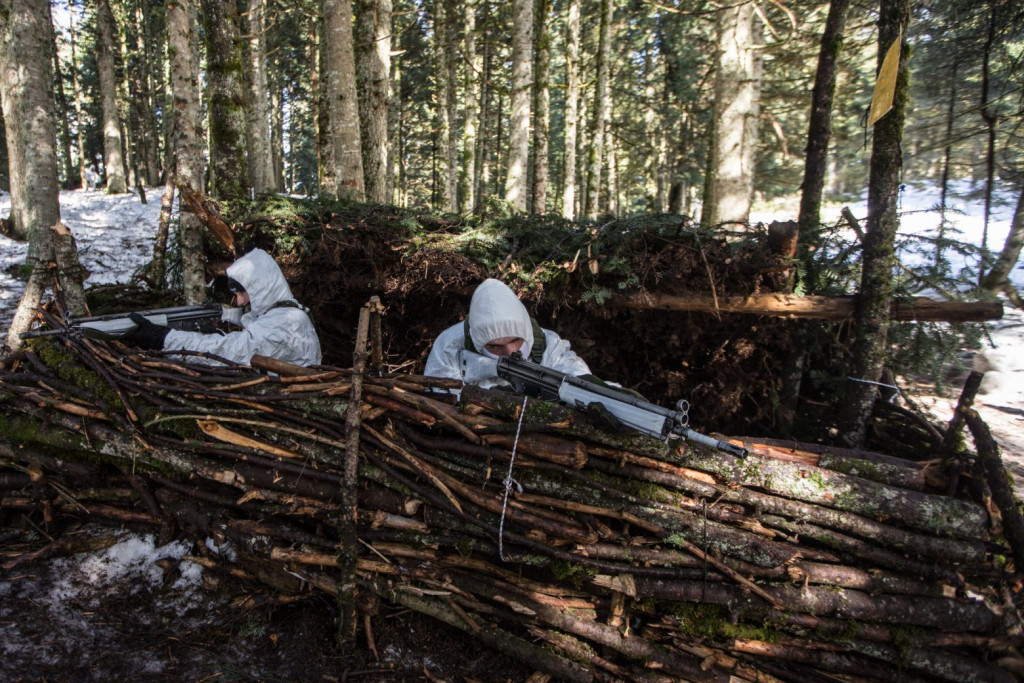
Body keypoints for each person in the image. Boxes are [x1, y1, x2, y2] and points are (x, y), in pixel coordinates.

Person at [124, 248, 322, 367]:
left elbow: (230, 351)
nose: (240, 302)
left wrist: (165, 338)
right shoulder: (287, 312)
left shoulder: (286, 323)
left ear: (262, 287)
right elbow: (256, 328)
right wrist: (222, 321)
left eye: (243, 293)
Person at [424, 278, 592, 389]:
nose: (510, 352)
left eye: (515, 341)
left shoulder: (548, 344)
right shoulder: (450, 346)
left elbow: (576, 374)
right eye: (495, 346)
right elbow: (441, 397)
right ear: (477, 342)